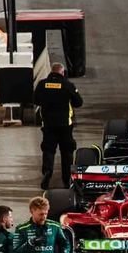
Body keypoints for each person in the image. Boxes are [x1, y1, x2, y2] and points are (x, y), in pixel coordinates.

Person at [33, 61, 84, 190]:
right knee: (67, 151)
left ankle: (47, 172)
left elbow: (35, 99)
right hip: (65, 125)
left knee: (48, 149)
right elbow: (78, 102)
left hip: (49, 124)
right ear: (62, 72)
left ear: (52, 71)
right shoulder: (67, 85)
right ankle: (66, 178)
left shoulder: (42, 84)